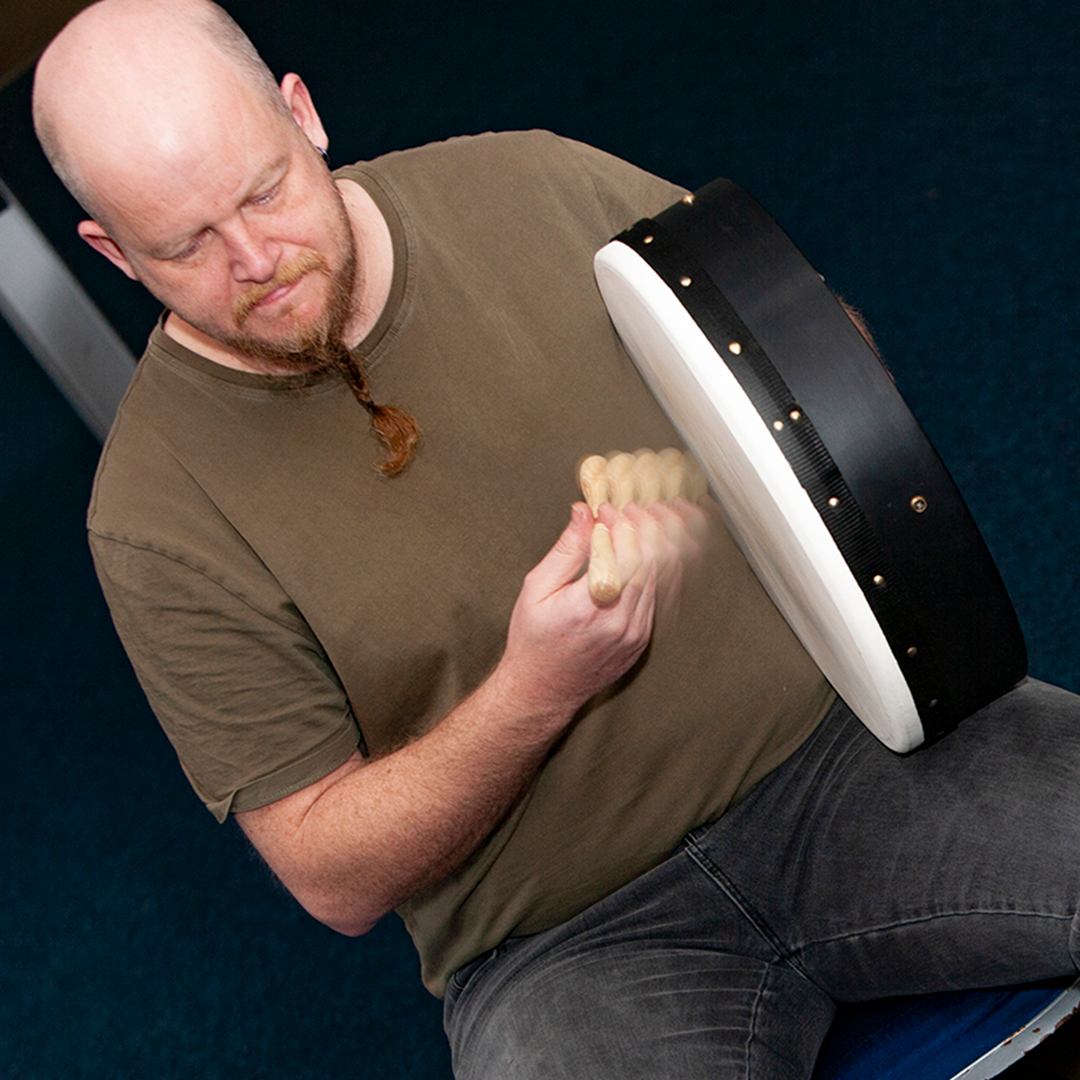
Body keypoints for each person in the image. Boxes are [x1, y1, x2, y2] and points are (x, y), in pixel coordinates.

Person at [32, 2, 1080, 1076]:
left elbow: (824, 357)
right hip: (568, 944)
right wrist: (535, 687)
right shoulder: (155, 516)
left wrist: (760, 452)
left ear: (301, 114)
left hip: (849, 755)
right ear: (114, 253)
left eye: (263, 191)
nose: (255, 259)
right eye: (186, 245)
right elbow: (328, 874)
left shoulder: (529, 183)